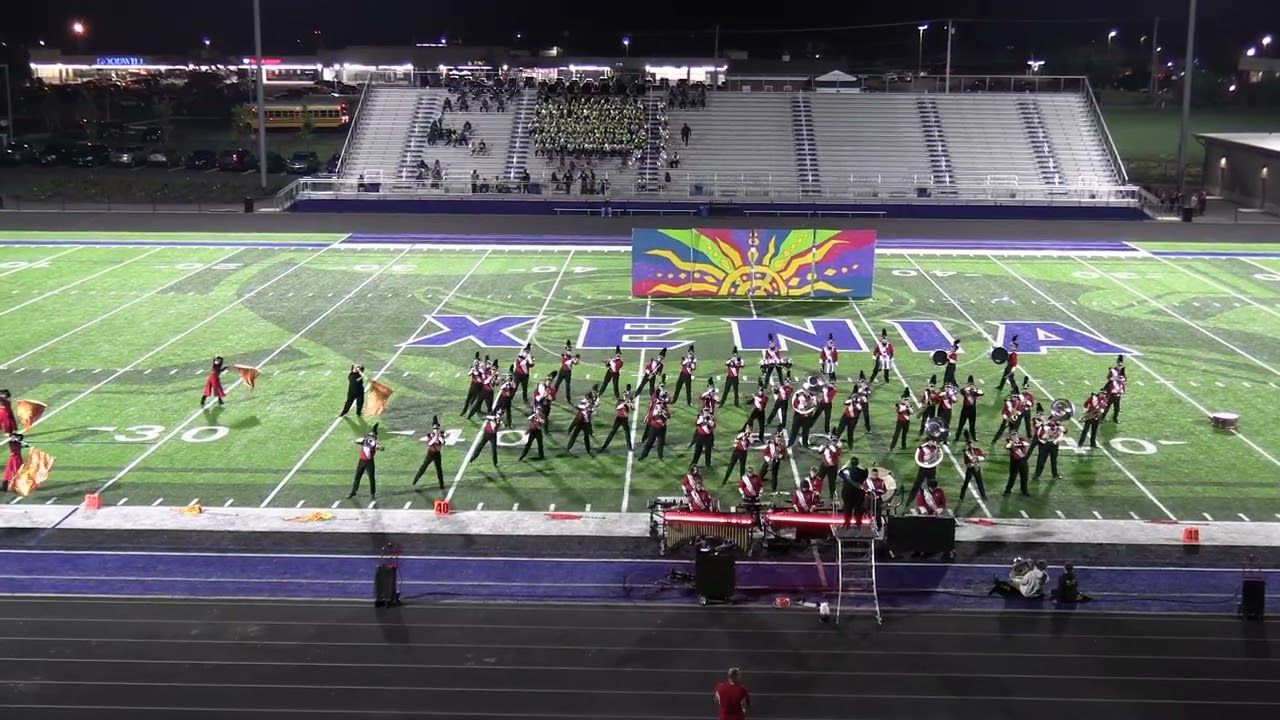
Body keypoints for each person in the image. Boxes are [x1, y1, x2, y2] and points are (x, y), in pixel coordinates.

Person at [347, 424, 383, 499]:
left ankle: (372, 492)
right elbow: (356, 441)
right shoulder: (366, 440)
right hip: (362, 461)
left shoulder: (374, 443)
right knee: (358, 476)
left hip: (369, 461)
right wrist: (364, 440)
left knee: (371, 477)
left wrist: (377, 446)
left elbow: (382, 448)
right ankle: (353, 491)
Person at [412, 416, 446, 489]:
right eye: (434, 429)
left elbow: (443, 443)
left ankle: (441, 484)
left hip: (437, 454)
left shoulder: (441, 435)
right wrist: (435, 437)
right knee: (423, 467)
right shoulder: (430, 435)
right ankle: (415, 480)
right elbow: (430, 443)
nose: (436, 430)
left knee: (439, 469)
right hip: (430, 453)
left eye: (437, 429)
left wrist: (439, 437)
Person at [839, 456, 869, 528]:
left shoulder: (846, 471)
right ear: (857, 463)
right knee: (858, 508)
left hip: (847, 493)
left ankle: (847, 523)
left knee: (847, 508)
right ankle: (858, 523)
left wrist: (846, 465)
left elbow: (840, 473)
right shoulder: (862, 472)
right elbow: (866, 474)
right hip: (858, 493)